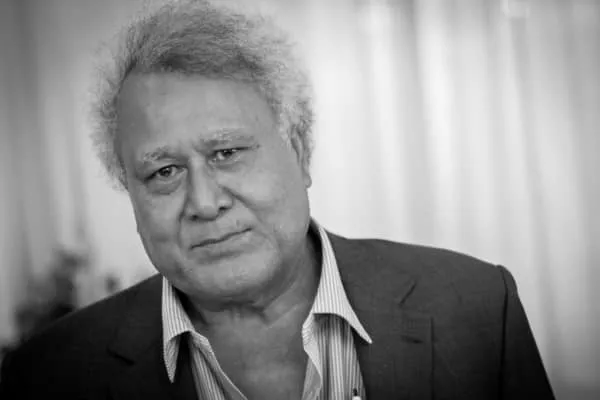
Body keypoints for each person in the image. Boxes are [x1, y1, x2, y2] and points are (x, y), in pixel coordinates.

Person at [0, 1, 555, 399]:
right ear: (131, 194)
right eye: (164, 172)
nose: (204, 202)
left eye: (227, 153)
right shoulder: (47, 376)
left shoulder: (477, 310)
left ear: (301, 151)